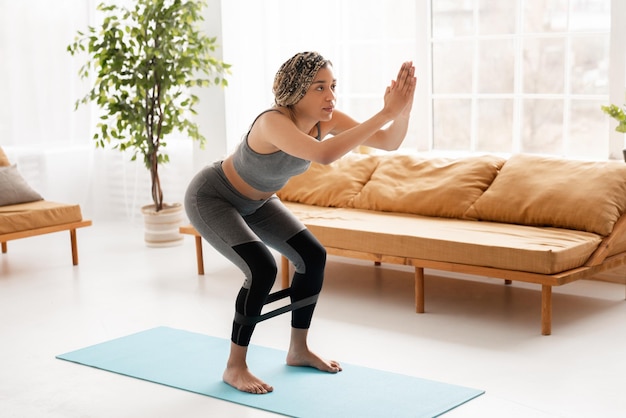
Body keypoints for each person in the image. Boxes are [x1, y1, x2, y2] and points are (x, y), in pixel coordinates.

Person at [185, 51, 416, 394]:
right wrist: (386, 112)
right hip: (213, 196)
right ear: (295, 90)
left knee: (312, 257)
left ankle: (298, 349)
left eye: (333, 86)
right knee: (262, 269)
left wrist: (403, 109)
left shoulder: (326, 120)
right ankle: (235, 367)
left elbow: (389, 142)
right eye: (319, 87)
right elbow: (324, 154)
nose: (330, 96)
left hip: (259, 200)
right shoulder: (272, 122)